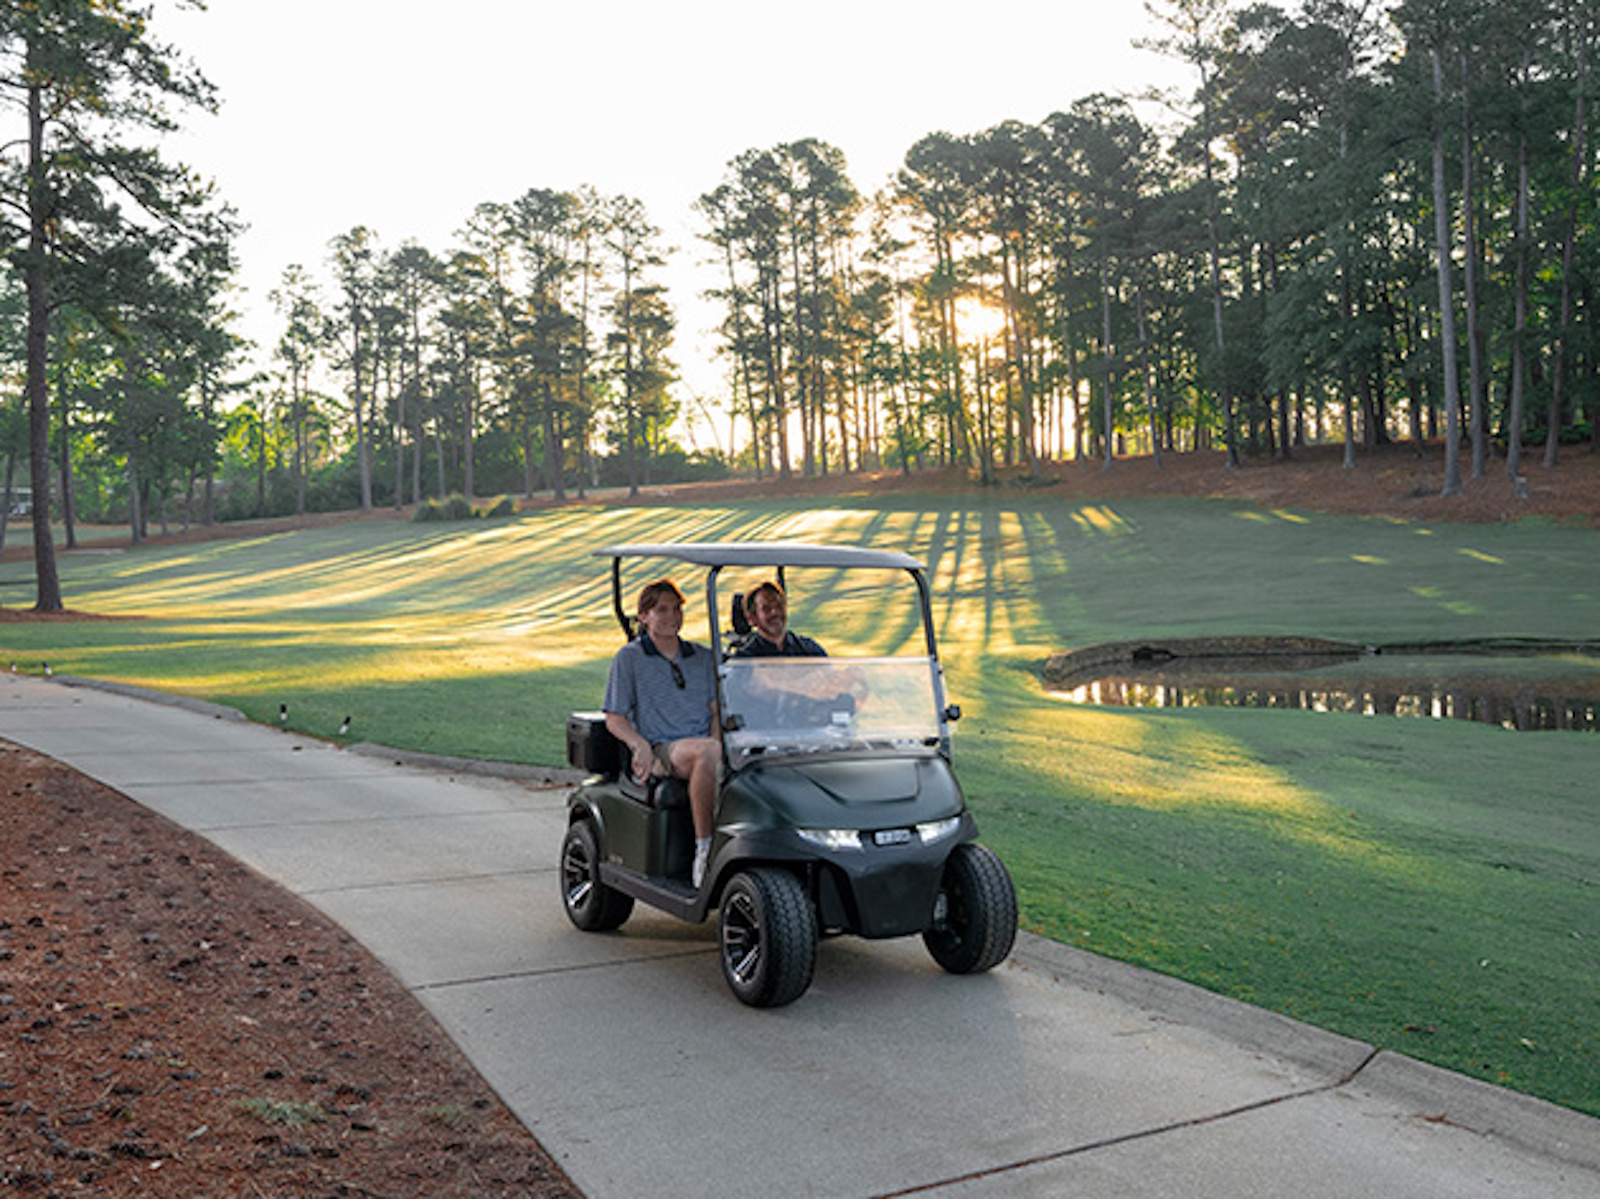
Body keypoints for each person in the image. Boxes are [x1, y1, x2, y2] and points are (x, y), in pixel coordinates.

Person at [603, 579, 721, 888]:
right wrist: (638, 744)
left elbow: (716, 712)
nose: (673, 616)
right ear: (644, 616)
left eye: (677, 609)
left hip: (705, 745)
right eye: (663, 610)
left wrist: (719, 744)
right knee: (707, 752)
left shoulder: (702, 657)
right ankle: (705, 850)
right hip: (661, 749)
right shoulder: (630, 658)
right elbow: (614, 717)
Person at [733, 580, 826, 658]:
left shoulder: (809, 650)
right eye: (766, 609)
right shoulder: (745, 659)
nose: (775, 612)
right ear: (752, 619)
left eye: (779, 606)